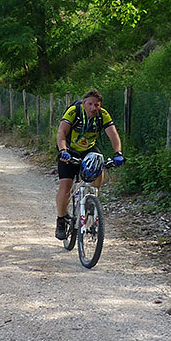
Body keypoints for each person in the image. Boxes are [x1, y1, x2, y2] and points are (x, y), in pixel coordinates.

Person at [54, 88, 124, 240]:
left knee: (99, 163)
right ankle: (60, 220)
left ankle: (93, 198)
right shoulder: (74, 112)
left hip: (88, 149)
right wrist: (63, 151)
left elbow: (113, 134)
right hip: (69, 149)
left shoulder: (102, 115)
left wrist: (118, 153)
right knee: (65, 186)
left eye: (97, 105)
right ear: (84, 103)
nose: (94, 108)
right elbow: (61, 133)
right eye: (90, 104)